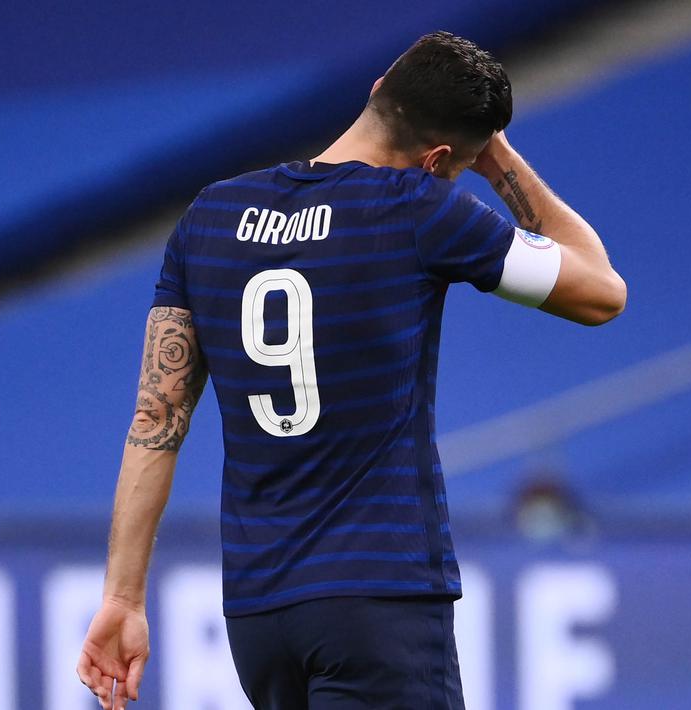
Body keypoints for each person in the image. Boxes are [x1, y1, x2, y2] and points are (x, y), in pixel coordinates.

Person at [76, 31, 625, 710]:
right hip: (378, 601)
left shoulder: (208, 217)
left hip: (259, 613)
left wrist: (123, 598)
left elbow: (157, 419)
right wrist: (497, 162)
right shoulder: (419, 207)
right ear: (437, 158)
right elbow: (601, 291)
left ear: (375, 91)